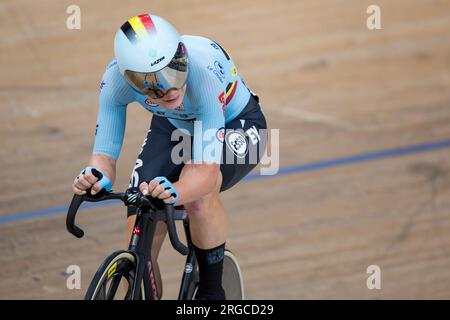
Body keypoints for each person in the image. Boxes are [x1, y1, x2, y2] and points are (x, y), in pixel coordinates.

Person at [72, 13, 267, 300]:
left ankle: (213, 293)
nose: (170, 88)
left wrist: (176, 192)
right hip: (173, 124)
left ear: (182, 55)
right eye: (153, 83)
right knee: (141, 210)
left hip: (235, 123)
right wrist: (95, 176)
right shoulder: (115, 81)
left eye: (175, 70)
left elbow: (204, 170)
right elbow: (103, 156)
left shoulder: (202, 76)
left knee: (199, 194)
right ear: (129, 78)